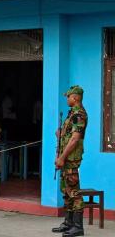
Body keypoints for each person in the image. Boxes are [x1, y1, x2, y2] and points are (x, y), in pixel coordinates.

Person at [52, 85, 88, 237]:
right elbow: (68, 136)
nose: (67, 99)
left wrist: (62, 157)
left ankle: (78, 227)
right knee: (66, 190)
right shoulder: (71, 113)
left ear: (76, 98)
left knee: (74, 191)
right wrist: (60, 134)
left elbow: (74, 139)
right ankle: (68, 223)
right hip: (66, 158)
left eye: (68, 96)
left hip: (71, 159)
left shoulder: (79, 114)